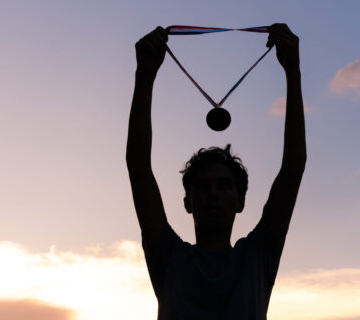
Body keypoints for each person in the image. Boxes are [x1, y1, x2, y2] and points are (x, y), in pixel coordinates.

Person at [126, 23, 306, 320]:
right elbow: (139, 170)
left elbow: (292, 169)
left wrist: (293, 73)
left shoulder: (258, 256)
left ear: (240, 201)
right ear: (187, 201)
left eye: (224, 185)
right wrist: (144, 75)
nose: (212, 192)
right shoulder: (169, 256)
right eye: (202, 186)